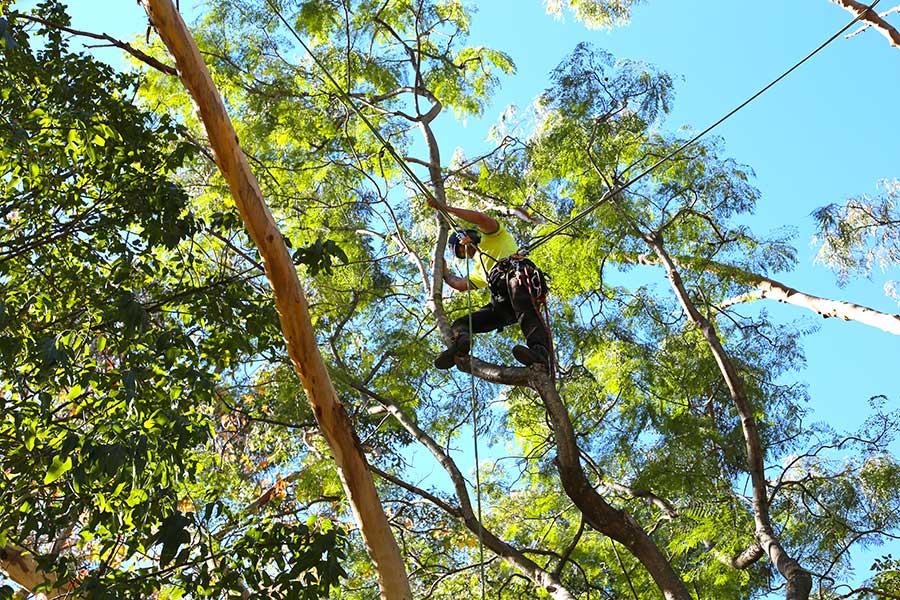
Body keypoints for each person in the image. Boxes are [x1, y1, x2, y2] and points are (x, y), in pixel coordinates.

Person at [428, 196, 551, 371]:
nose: (464, 250)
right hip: (501, 302)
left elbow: (481, 219)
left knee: (525, 309)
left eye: (461, 245)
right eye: (461, 252)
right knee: (462, 322)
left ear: (468, 236)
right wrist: (444, 272)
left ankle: (539, 353)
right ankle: (461, 343)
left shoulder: (493, 236)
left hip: (517, 276)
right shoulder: (479, 270)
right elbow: (460, 285)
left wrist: (446, 208)